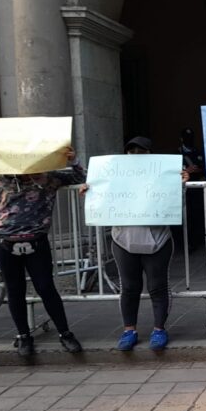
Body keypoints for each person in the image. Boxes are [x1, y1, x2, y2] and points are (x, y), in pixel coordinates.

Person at [0, 148, 85, 356]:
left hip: (36, 241)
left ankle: (65, 333)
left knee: (46, 287)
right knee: (15, 289)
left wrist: (74, 160)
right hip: (4, 241)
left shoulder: (48, 178)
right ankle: (23, 336)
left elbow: (81, 176)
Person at [80, 137, 188, 351]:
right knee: (129, 287)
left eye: (141, 151)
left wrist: (181, 184)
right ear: (126, 154)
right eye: (132, 151)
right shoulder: (115, 176)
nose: (136, 154)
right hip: (123, 240)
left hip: (157, 240)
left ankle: (159, 330)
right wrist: (89, 190)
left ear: (150, 154)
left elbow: (175, 204)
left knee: (158, 286)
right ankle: (129, 330)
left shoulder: (164, 175)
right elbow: (101, 196)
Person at [177, 127, 206, 252]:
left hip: (197, 189)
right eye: (187, 137)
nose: (189, 140)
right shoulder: (176, 153)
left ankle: (197, 240)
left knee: (197, 215)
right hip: (184, 190)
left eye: (191, 137)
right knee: (185, 216)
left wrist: (199, 170)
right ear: (181, 139)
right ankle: (186, 243)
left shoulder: (198, 152)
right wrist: (186, 171)